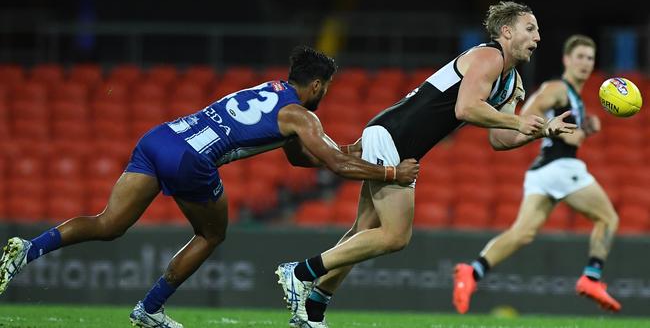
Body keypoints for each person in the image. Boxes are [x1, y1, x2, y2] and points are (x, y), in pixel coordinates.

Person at [0, 46, 419, 328]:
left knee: (109, 223)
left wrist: (340, 149)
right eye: (326, 88)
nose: (325, 94)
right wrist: (390, 175)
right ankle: (149, 308)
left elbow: (299, 156)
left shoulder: (269, 89)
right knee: (212, 233)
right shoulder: (302, 115)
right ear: (317, 85)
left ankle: (29, 249)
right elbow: (334, 164)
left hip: (161, 137)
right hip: (191, 160)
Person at [276, 1, 578, 328]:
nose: (538, 36)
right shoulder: (488, 56)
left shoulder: (510, 79)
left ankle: (311, 313)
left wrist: (541, 131)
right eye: (529, 28)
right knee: (394, 236)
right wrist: (519, 122)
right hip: (396, 135)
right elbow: (466, 109)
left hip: (399, 141)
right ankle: (301, 272)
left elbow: (499, 139)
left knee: (363, 233)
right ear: (506, 31)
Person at [453, 35, 621, 314]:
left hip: (543, 171)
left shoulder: (574, 98)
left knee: (521, 234)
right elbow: (530, 112)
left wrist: (583, 129)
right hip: (561, 166)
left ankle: (472, 272)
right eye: (579, 56)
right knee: (608, 218)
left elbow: (566, 131)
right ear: (566, 60)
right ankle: (591, 278)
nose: (585, 63)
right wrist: (558, 131)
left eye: (590, 58)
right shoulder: (557, 87)